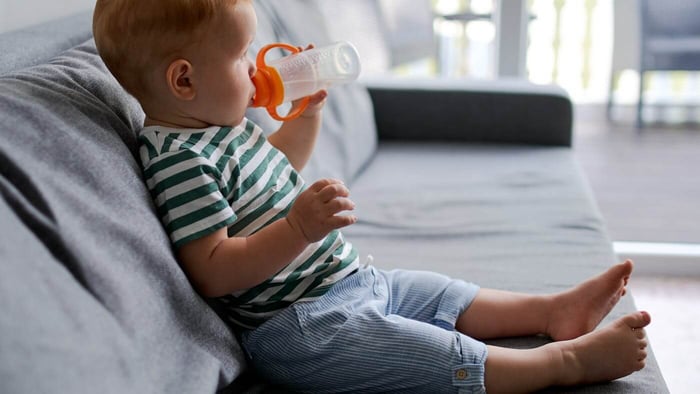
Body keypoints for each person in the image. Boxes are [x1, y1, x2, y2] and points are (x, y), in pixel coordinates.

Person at [93, 0, 651, 392]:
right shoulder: (179, 161)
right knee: (433, 358)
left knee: (440, 294)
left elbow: (280, 164)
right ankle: (565, 363)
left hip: (351, 281)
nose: (254, 65)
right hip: (303, 328)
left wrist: (307, 113)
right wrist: (298, 229)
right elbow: (213, 269)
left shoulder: (219, 126)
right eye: (242, 57)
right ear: (184, 80)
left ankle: (553, 311)